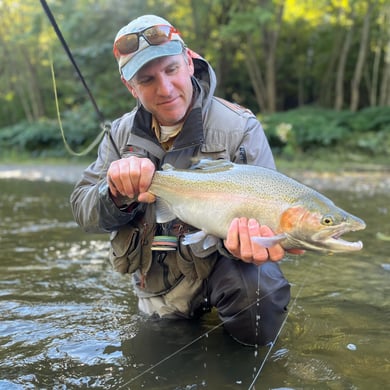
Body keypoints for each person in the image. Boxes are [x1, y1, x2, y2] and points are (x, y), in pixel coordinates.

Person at [70, 14, 300, 346]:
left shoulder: (240, 128)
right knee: (156, 355)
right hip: (159, 288)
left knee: (259, 295)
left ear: (189, 62)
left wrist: (252, 241)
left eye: (171, 70)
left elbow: (272, 212)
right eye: (147, 79)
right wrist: (116, 193)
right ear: (129, 86)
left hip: (222, 270)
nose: (164, 89)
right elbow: (83, 208)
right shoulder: (120, 135)